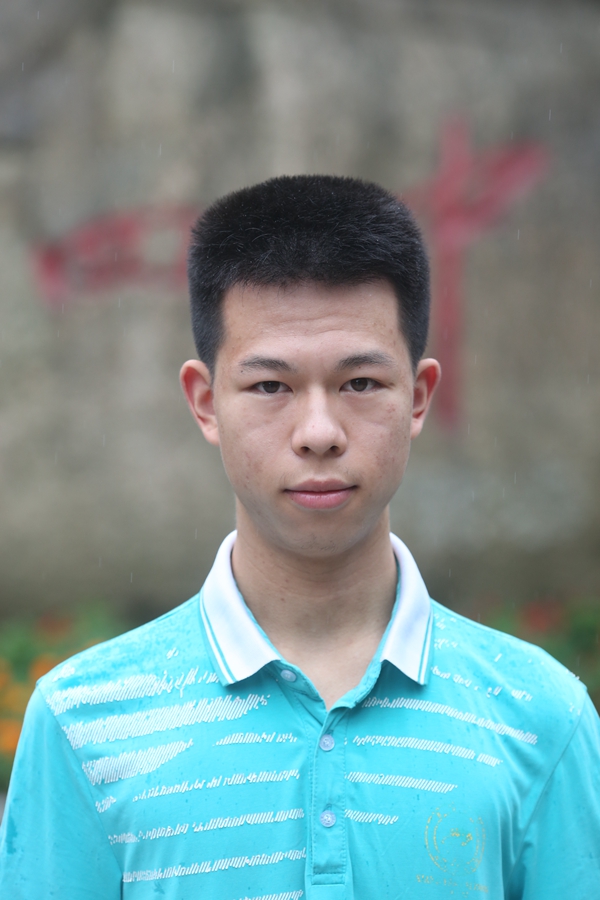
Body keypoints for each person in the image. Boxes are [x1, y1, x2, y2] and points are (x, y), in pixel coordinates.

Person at [1, 175, 599, 899]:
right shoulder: (83, 723)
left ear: (418, 397)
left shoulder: (542, 717)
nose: (319, 433)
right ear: (205, 402)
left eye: (360, 383)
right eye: (270, 387)